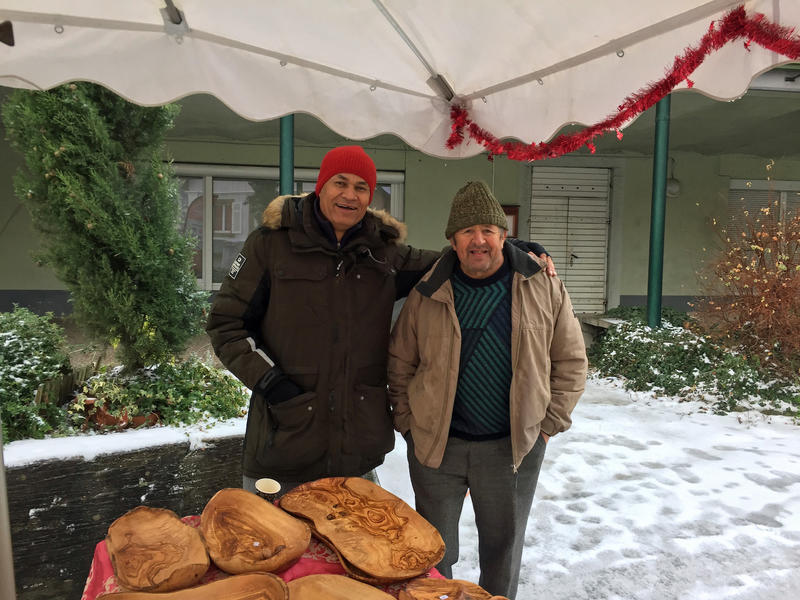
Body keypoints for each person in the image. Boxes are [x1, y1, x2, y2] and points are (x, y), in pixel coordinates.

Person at [206, 146, 556, 496]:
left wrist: (509, 247)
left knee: (350, 548)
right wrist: (273, 384)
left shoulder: (385, 254)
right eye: (339, 183)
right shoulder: (271, 246)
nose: (349, 194)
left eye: (361, 187)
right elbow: (227, 325)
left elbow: (458, 259)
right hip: (283, 440)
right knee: (271, 547)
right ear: (320, 186)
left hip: (354, 451)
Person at [387, 180, 587, 599]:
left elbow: (569, 361)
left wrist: (548, 426)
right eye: (466, 231)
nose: (478, 240)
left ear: (503, 235)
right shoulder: (428, 291)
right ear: (453, 240)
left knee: (503, 550)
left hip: (512, 449)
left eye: (488, 230)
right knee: (433, 552)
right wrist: (408, 423)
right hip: (437, 449)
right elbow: (401, 363)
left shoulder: (543, 285)